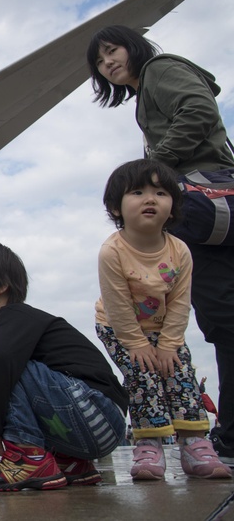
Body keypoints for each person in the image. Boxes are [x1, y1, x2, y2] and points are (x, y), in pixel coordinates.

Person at [87, 25, 234, 464]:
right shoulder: (148, 88)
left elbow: (199, 109)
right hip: (217, 203)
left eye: (111, 51)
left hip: (205, 203)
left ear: (133, 47)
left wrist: (156, 169)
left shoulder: (159, 69)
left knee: (222, 316)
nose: (107, 63)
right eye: (99, 61)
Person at [0, 241, 128, 491]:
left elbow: (0, 363)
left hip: (93, 410)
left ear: (1, 284)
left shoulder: (13, 316)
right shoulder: (23, 324)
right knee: (3, 363)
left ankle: (28, 458)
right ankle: (71, 463)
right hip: (106, 425)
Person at [96, 159, 230, 479]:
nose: (150, 199)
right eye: (137, 192)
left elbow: (181, 302)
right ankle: (149, 444)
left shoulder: (180, 250)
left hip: (164, 327)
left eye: (160, 192)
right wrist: (136, 344)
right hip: (119, 327)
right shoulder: (112, 251)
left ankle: (195, 443)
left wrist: (169, 344)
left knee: (180, 373)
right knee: (143, 375)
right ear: (115, 207)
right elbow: (117, 303)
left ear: (174, 206)